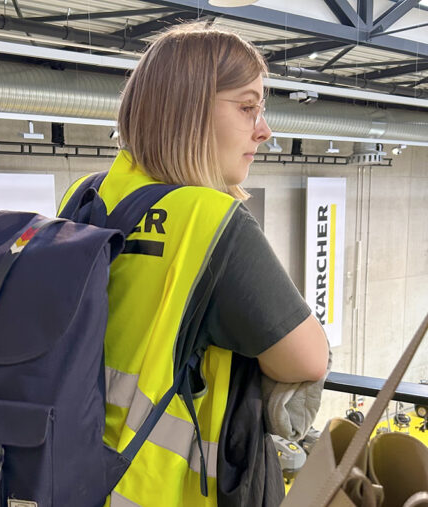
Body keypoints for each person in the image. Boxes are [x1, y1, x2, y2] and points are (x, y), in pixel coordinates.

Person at [60, 24, 329, 506]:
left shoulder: (86, 195)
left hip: (71, 474)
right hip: (163, 491)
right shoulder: (212, 219)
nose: (264, 130)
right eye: (248, 107)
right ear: (188, 110)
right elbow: (309, 357)